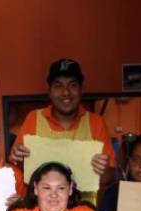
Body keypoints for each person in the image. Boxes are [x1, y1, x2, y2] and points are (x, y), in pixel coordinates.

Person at [9, 58, 117, 201]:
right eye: (58, 85)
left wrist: (103, 170)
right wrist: (18, 158)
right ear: (49, 91)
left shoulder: (95, 122)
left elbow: (107, 179)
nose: (66, 92)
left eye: (72, 85)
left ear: (81, 89)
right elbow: (22, 172)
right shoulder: (34, 118)